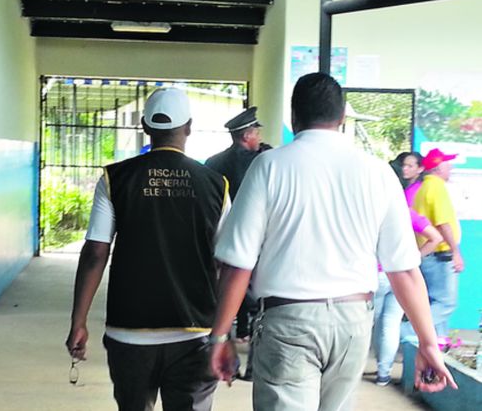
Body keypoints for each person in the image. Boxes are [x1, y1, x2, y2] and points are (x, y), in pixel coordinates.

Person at [208, 73, 457, 411]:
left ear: (294, 117)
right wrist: (428, 342)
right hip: (353, 323)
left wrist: (220, 335)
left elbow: (238, 264)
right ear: (341, 118)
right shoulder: (378, 172)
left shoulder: (269, 167)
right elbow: (404, 270)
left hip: (288, 321)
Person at [65, 87, 231, 411]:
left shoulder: (115, 178)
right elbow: (227, 262)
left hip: (129, 331)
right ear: (189, 127)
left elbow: (96, 253)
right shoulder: (216, 185)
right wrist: (224, 332)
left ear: (144, 126)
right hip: (194, 330)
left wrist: (78, 320)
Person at [206, 107, 271, 380]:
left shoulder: (212, 163)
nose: (259, 137)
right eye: (256, 133)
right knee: (259, 305)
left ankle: (219, 346)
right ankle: (252, 366)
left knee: (222, 295)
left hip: (220, 242)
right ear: (246, 135)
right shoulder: (263, 163)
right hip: (256, 243)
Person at [373, 207, 443, 386]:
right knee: (391, 324)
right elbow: (435, 237)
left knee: (373, 324)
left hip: (376, 274)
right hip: (402, 274)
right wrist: (414, 258)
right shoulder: (405, 212)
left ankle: (373, 366)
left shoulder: (374, 209)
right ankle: (383, 373)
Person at [413, 147, 464, 338]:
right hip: (441, 256)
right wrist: (455, 252)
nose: (450, 168)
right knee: (445, 303)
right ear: (438, 168)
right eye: (447, 164)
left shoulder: (423, 188)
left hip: (429, 255)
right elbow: (443, 223)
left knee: (435, 302)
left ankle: (438, 346)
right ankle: (407, 331)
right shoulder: (437, 188)